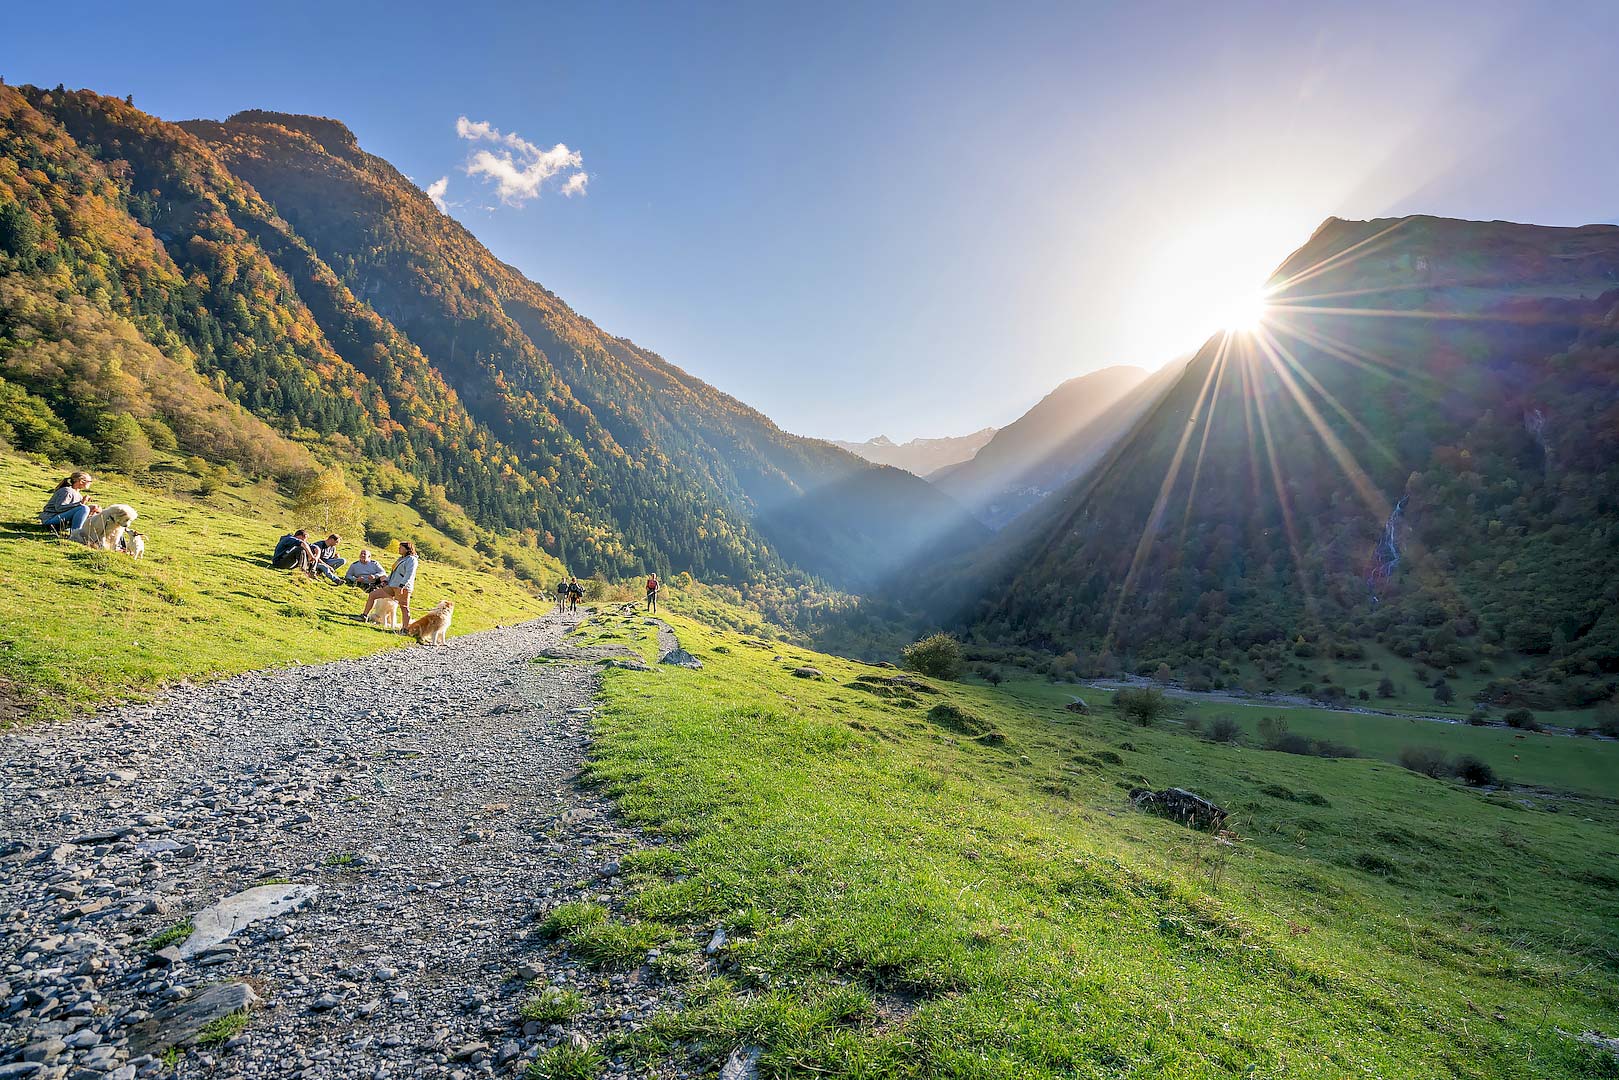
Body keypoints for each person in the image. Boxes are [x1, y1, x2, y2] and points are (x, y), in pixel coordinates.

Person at [362, 541, 418, 630]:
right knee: (373, 595)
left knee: (404, 607)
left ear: (407, 549)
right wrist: (386, 581)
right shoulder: (400, 559)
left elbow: (409, 574)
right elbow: (393, 573)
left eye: (401, 547)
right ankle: (364, 616)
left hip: (402, 587)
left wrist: (402, 585)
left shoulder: (411, 559)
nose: (399, 549)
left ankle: (405, 628)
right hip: (392, 585)